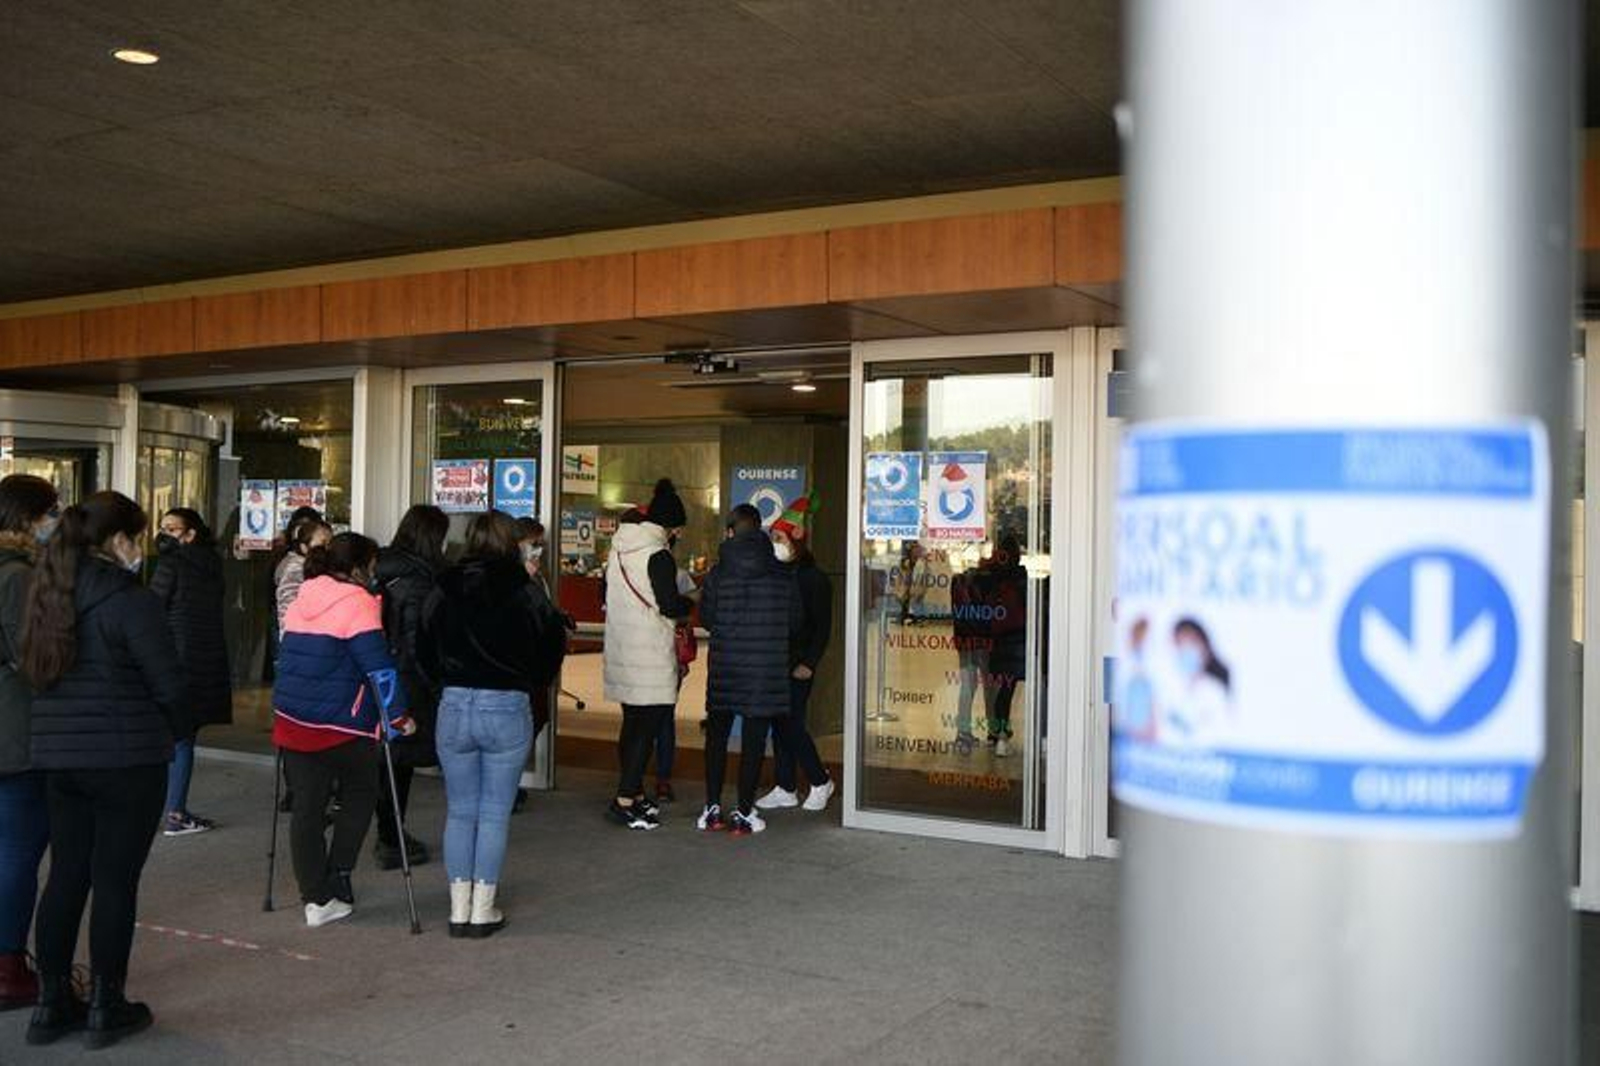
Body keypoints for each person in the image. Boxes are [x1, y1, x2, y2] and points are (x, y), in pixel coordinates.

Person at [21, 492, 184, 1049]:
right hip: (126, 758)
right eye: (136, 537)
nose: (140, 549)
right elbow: (169, 684)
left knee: (67, 874)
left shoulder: (47, 592)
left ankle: (50, 1004)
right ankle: (105, 1006)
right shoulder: (128, 601)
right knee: (115, 881)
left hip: (59, 758)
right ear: (119, 541)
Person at [424, 511, 565, 937]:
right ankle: (482, 908)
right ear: (512, 543)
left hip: (453, 705)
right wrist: (529, 681)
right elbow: (551, 645)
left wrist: (444, 686)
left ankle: (458, 907)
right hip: (506, 705)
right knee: (493, 813)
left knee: (460, 811)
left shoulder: (443, 585)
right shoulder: (524, 589)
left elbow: (422, 644)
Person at [272, 533, 413, 929]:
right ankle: (338, 874)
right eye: (371, 566)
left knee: (307, 808)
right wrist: (399, 717)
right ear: (357, 568)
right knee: (362, 794)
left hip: (293, 717)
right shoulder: (357, 602)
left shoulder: (305, 595)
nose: (374, 574)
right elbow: (378, 668)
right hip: (342, 723)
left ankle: (315, 898)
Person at [698, 505, 802, 836]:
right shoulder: (781, 572)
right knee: (754, 742)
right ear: (759, 529)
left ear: (730, 531)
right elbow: (794, 622)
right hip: (764, 669)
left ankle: (712, 809)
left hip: (725, 666)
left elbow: (707, 618)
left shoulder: (717, 573)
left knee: (716, 737)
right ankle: (743, 812)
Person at [602, 479, 695, 830]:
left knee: (632, 724)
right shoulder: (658, 555)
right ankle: (625, 798)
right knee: (649, 726)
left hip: (624, 649)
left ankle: (636, 793)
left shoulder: (619, 550)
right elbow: (669, 604)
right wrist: (689, 602)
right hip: (650, 656)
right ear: (669, 527)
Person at [0, 475, 58, 1012]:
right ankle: (9, 966)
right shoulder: (17, 577)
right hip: (13, 734)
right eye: (50, 512)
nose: (55, 522)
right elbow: (32, 659)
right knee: (17, 852)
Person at [373, 504, 447, 870]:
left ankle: (386, 831)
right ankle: (390, 836)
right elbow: (418, 641)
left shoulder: (381, 568)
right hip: (406, 680)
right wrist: (437, 684)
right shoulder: (419, 579)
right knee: (399, 761)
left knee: (386, 758)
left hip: (376, 673)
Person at [150, 508, 232, 836]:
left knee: (176, 739)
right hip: (205, 659)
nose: (163, 533)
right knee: (185, 737)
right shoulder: (212, 564)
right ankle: (175, 811)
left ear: (189, 534)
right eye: (163, 527)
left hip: (174, 657)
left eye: (172, 529)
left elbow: (153, 610)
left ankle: (172, 812)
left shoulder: (170, 565)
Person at [756, 493, 836, 813]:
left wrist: (809, 662)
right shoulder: (775, 573)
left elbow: (822, 627)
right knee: (779, 723)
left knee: (792, 723)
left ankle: (820, 780)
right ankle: (785, 786)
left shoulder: (813, 578)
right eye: (772, 538)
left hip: (799, 664)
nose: (774, 543)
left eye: (778, 537)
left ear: (795, 539)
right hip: (775, 661)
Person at [1165, 617, 1231, 744]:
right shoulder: (1167, 687)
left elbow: (1218, 737)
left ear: (1205, 648)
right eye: (1179, 644)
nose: (1185, 651)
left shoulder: (1215, 691)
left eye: (1191, 644)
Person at [274, 515, 331, 632]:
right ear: (304, 547)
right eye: (323, 543)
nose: (328, 549)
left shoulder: (322, 568)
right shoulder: (296, 570)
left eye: (330, 544)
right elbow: (287, 612)